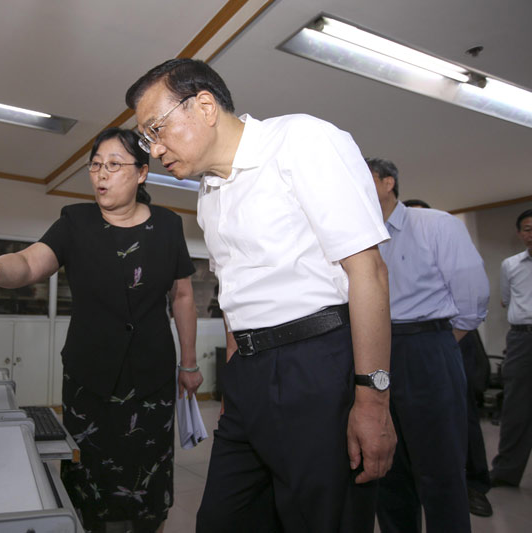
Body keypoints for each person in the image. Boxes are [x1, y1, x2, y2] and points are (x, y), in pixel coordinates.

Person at [126, 58, 396, 532]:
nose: (155, 149)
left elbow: (368, 271)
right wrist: (236, 381)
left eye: (156, 129)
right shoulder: (209, 194)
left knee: (322, 519)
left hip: (316, 364)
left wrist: (373, 401)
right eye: (147, 139)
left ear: (204, 106)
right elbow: (235, 295)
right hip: (248, 376)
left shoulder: (300, 140)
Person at [0, 127, 203, 533]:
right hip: (89, 379)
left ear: (142, 173)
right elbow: (28, 263)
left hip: (151, 380)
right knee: (90, 482)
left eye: (114, 165)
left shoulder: (168, 225)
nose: (101, 174)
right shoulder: (76, 221)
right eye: (95, 165)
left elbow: (182, 296)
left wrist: (189, 363)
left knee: (148, 486)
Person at [367, 157, 489, 532]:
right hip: (371, 351)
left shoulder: (435, 224)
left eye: (363, 177)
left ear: (388, 183)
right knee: (385, 468)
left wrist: (434, 344)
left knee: (439, 468)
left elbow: (472, 299)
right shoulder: (356, 235)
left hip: (426, 347)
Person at [399, 197, 494, 516]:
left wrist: (443, 340)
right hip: (409, 344)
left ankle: (474, 485)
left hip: (448, 335)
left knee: (460, 418)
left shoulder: (442, 232)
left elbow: (471, 299)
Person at [490, 208, 532, 488]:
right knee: (516, 406)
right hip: (522, 339)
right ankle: (505, 472)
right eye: (527, 229)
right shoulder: (511, 265)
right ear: (519, 233)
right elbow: (505, 299)